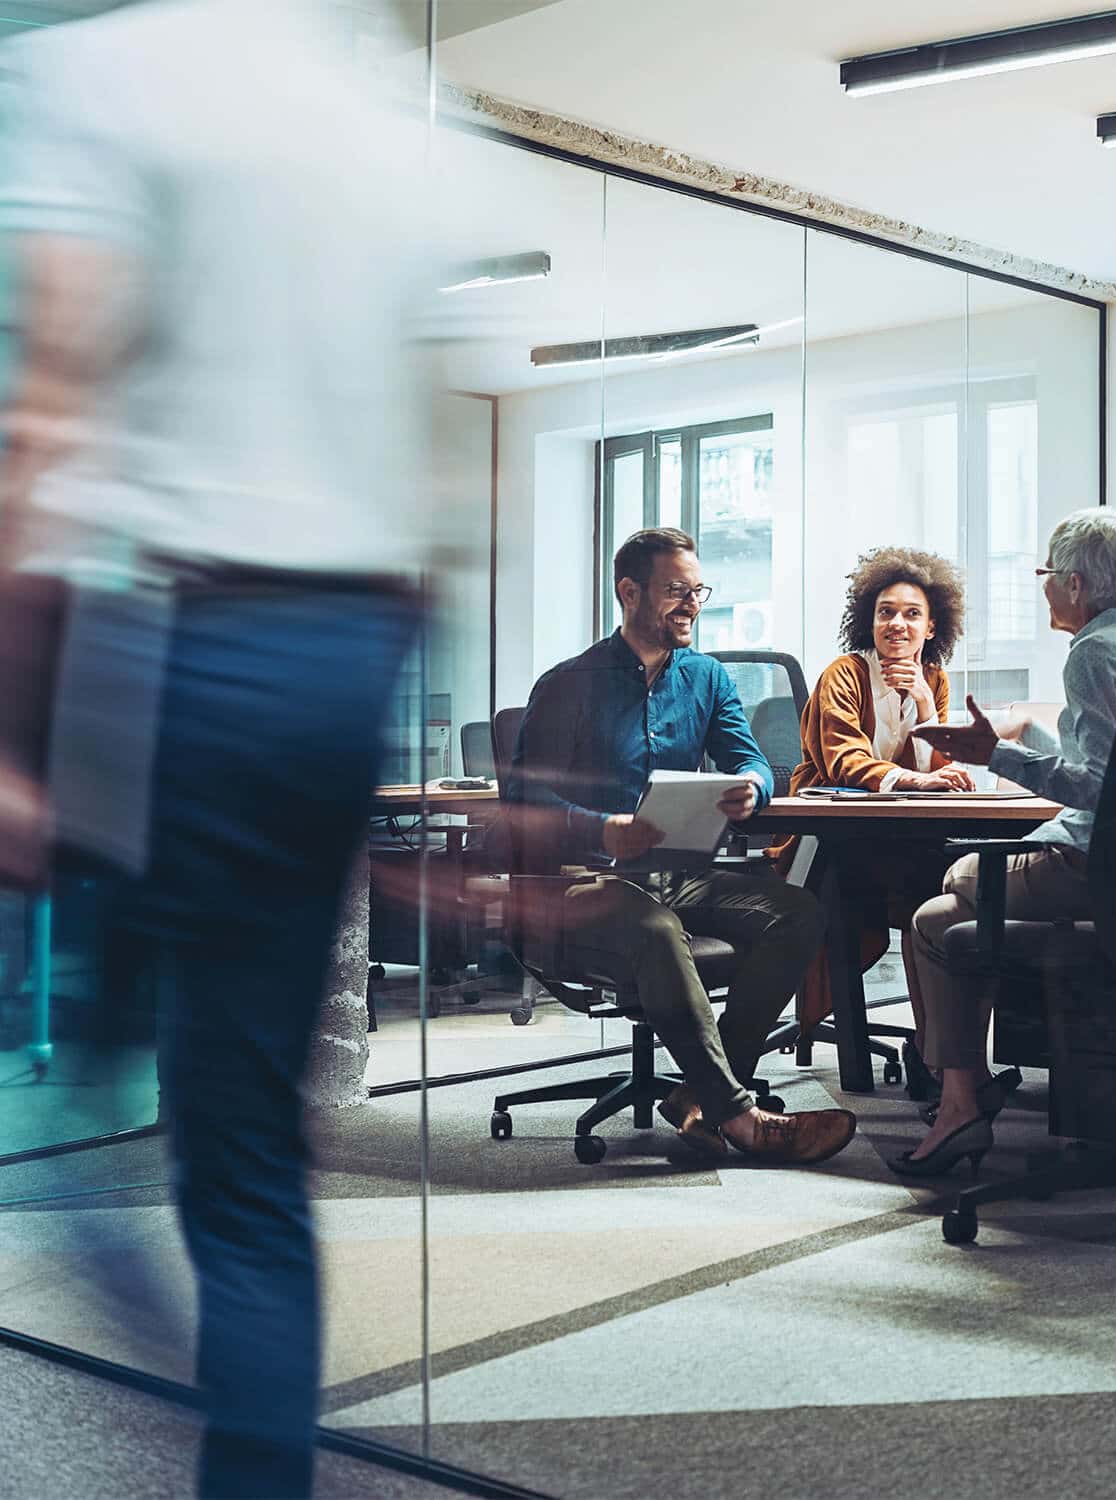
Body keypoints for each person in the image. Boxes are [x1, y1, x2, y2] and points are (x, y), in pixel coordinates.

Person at [0, 3, 437, 1494]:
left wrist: (11, 734)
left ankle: (203, 1391)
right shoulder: (380, 110)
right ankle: (252, 1441)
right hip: (341, 648)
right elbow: (419, 470)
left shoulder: (105, 68)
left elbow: (54, 408)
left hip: (173, 638)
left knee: (83, 1102)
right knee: (249, 1168)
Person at [508, 526, 856, 1165]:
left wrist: (752, 789)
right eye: (676, 591)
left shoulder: (708, 678)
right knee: (657, 929)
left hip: (675, 873)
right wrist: (600, 827)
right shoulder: (568, 684)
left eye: (698, 590)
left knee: (798, 913)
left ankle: (699, 1096)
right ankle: (742, 1117)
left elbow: (750, 761)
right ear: (629, 592)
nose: (692, 603)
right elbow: (523, 804)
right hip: (580, 882)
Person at [891, 507, 1116, 1178]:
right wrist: (1017, 741)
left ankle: (961, 1102)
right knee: (936, 923)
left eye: (1044, 573)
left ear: (1073, 582)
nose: (1041, 587)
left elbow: (1098, 788)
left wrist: (994, 757)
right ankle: (960, 1101)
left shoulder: (1094, 652)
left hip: (1096, 868)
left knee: (957, 881)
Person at [769, 547, 974, 1085]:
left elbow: (940, 770)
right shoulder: (845, 673)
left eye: (911, 614)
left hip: (893, 835)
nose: (897, 624)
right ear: (869, 619)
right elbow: (843, 760)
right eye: (886, 611)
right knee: (916, 886)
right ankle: (926, 1059)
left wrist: (927, 709)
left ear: (932, 627)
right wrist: (915, 779)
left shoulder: (934, 679)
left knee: (938, 891)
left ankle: (936, 1055)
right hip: (825, 838)